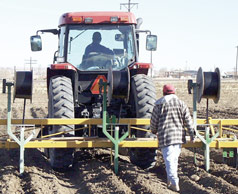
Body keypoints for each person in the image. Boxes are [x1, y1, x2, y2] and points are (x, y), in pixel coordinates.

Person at [150, 84, 195, 192]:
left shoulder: (159, 104)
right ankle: (170, 181)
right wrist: (192, 135)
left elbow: (154, 122)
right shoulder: (181, 103)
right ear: (174, 92)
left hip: (166, 136)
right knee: (174, 160)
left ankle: (174, 182)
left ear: (164, 92)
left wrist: (153, 130)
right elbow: (188, 121)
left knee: (169, 160)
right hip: (178, 136)